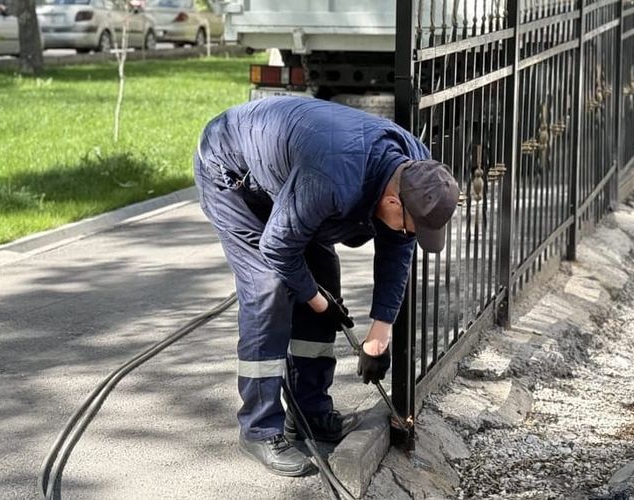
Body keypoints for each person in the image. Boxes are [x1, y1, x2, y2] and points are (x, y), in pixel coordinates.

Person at [194, 96, 460, 477]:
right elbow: (277, 247)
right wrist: (317, 301)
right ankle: (259, 428)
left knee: (323, 280)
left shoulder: (415, 170)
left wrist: (379, 332)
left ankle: (309, 415)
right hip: (232, 172)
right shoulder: (335, 177)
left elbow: (398, 249)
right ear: (391, 201)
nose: (407, 235)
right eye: (409, 227)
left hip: (293, 178)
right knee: (268, 290)